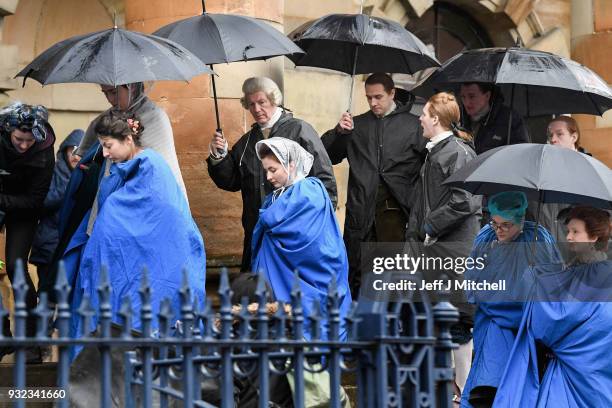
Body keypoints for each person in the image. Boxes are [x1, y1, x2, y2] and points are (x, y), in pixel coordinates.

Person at [62, 110, 205, 356]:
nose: (105, 153)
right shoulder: (121, 169)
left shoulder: (152, 166)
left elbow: (163, 217)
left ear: (128, 139)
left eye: (108, 146)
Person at [251, 137, 351, 407]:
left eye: (274, 169)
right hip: (278, 290)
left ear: (291, 164)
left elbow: (311, 246)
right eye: (266, 171)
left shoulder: (309, 191)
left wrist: (270, 218)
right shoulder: (278, 196)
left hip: (307, 287)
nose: (269, 176)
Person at [207, 77, 337, 272]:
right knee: (258, 294)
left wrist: (317, 222)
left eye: (261, 102)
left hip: (294, 232)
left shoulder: (300, 130)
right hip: (258, 232)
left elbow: (324, 179)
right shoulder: (247, 141)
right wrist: (220, 156)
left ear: (274, 100)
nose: (257, 109)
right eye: (251, 104)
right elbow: (231, 181)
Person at [494, 206, 612, 407]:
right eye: (568, 231)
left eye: (576, 232)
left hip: (575, 371)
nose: (569, 237)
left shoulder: (592, 274)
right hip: (598, 370)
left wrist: (534, 283)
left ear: (593, 238)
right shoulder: (590, 270)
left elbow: (558, 319)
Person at [321, 73, 427, 296]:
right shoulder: (355, 125)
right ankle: (359, 323)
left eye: (378, 97)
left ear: (392, 93)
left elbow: (427, 167)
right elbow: (327, 155)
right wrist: (339, 132)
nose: (373, 103)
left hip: (397, 214)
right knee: (358, 272)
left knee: (393, 277)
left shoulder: (413, 126)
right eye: (369, 97)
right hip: (360, 212)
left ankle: (392, 325)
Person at [406, 92, 481, 403]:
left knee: (460, 324)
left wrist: (429, 226)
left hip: (454, 252)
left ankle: (463, 394)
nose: (420, 119)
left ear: (436, 118)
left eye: (424, 114)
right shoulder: (437, 151)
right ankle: (452, 391)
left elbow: (466, 200)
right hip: (439, 251)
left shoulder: (457, 153)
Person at [461, 191, 561, 407]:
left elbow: (551, 290)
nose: (499, 230)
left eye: (505, 225)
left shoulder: (538, 240)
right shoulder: (486, 237)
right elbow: (471, 282)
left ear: (521, 220)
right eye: (494, 223)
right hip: (491, 323)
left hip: (523, 327)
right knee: (488, 385)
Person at [0, 102, 56, 363]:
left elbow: (36, 200)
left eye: (29, 140)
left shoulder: (44, 150)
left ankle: (31, 340)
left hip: (24, 207)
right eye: (19, 139)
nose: (23, 145)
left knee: (16, 267)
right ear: (8, 131)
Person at [75, 82, 187, 194]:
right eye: (105, 93)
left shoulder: (154, 117)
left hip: (155, 193)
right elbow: (84, 156)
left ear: (132, 87)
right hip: (115, 193)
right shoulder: (106, 118)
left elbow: (156, 171)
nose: (110, 99)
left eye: (114, 92)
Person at [29, 129, 84, 287]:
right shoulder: (50, 173)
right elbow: (41, 203)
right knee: (47, 296)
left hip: (73, 247)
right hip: (49, 246)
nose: (75, 156)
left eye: (80, 151)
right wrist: (68, 189)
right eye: (72, 150)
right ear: (65, 151)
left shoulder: (89, 177)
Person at [526, 116, 591, 244]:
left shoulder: (591, 172)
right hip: (541, 248)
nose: (553, 139)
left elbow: (599, 218)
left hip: (576, 250)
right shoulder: (538, 170)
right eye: (550, 135)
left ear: (574, 137)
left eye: (559, 134)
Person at [459, 83, 529, 154]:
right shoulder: (456, 118)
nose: (467, 102)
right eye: (463, 97)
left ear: (487, 96)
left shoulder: (511, 120)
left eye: (472, 96)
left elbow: (522, 153)